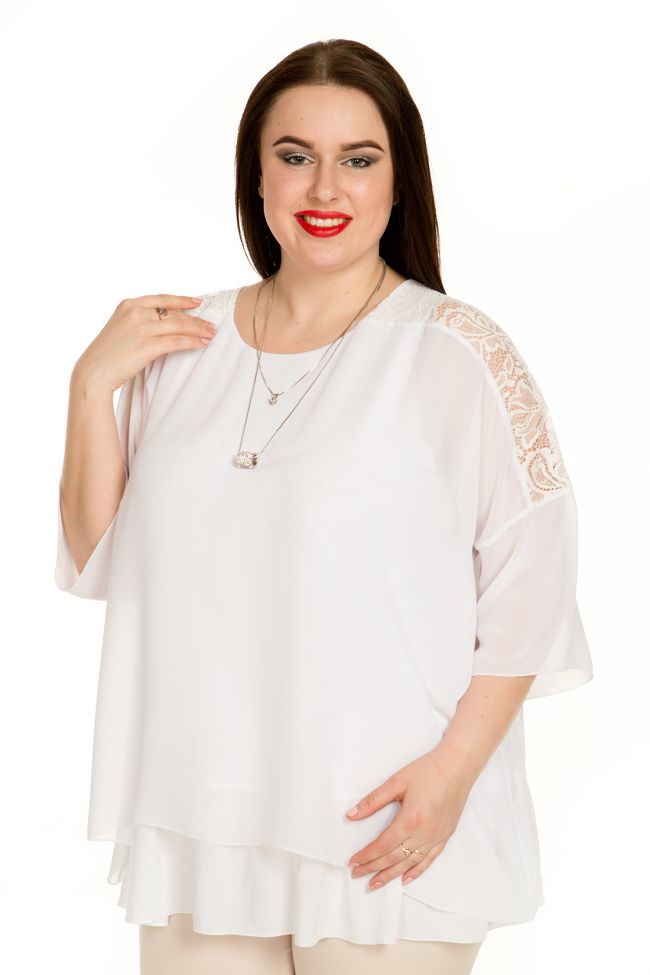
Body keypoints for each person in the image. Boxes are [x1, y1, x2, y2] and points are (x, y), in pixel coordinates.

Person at [55, 38, 594, 975]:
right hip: (205, 817)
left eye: (359, 159)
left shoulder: (455, 351)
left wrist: (452, 773)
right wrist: (88, 386)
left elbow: (531, 587)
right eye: (296, 155)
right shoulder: (181, 345)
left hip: (387, 815)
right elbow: (105, 554)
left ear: (400, 179)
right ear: (256, 174)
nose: (324, 188)